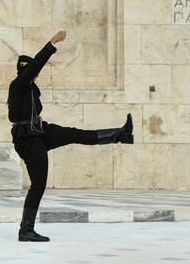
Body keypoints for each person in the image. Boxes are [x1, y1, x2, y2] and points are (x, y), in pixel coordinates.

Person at [8, 30, 133, 242]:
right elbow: (36, 66)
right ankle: (25, 230)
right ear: (27, 72)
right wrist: (51, 43)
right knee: (38, 184)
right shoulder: (19, 84)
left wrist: (35, 117)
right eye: (33, 73)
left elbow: (23, 111)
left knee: (74, 134)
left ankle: (120, 134)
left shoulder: (29, 89)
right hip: (28, 139)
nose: (36, 76)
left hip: (39, 132)